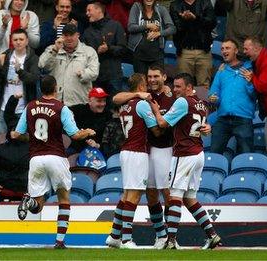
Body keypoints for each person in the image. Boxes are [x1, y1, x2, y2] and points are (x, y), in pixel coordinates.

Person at [14, 75, 96, 249]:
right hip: (56, 156)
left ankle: (28, 202)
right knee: (64, 198)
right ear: (56, 88)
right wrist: (87, 132)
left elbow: (17, 133)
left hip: (36, 158)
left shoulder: (30, 107)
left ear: (40, 89)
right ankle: (59, 241)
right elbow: (74, 134)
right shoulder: (61, 108)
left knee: (37, 207)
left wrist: (32, 138)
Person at [151, 73, 222, 250]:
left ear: (189, 87)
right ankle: (212, 235)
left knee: (174, 195)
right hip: (198, 153)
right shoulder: (200, 103)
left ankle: (171, 240)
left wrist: (154, 111)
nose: (175, 90)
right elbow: (201, 126)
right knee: (190, 198)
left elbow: (162, 124)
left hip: (184, 154)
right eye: (174, 86)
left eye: (179, 87)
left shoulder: (183, 102)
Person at [111, 66, 174, 249]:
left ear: (164, 77)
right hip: (139, 152)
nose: (151, 82)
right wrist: (157, 114)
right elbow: (156, 129)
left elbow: (117, 100)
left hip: (140, 150)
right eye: (147, 80)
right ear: (141, 85)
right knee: (136, 194)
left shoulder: (129, 103)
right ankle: (126, 239)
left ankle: (115, 235)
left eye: (155, 77)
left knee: (129, 194)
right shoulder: (142, 102)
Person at [208, 39, 256, 155]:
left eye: (227, 48)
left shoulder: (249, 69)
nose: (224, 51)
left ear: (236, 50)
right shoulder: (221, 71)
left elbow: (254, 95)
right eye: (222, 49)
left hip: (243, 119)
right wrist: (213, 98)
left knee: (246, 155)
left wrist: (250, 82)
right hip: (223, 119)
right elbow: (213, 93)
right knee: (214, 154)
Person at [39, 23, 99, 107]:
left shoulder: (89, 51)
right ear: (62, 36)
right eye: (66, 35)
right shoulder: (52, 49)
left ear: (77, 35)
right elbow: (42, 66)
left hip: (80, 102)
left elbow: (94, 73)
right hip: (56, 102)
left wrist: (83, 73)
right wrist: (55, 50)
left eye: (72, 35)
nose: (69, 38)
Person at [0, 28, 39, 135]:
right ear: (11, 41)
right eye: (15, 39)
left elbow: (34, 79)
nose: (18, 42)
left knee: (22, 144)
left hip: (23, 110)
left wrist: (19, 71)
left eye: (21, 39)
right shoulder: (5, 56)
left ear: (27, 41)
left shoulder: (33, 58)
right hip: (3, 108)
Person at [0, 94, 29, 202]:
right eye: (14, 130)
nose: (16, 132)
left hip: (27, 192)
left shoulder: (33, 149)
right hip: (5, 192)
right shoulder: (1, 149)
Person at [82, 2, 127, 95]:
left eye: (89, 10)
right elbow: (84, 55)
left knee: (114, 106)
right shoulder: (87, 32)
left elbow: (123, 49)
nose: (87, 13)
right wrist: (96, 52)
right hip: (96, 78)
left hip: (114, 75)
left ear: (98, 10)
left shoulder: (116, 26)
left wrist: (109, 48)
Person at [169, 0, 216, 88]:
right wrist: (185, 20)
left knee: (203, 87)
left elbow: (212, 23)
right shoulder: (175, 5)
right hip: (184, 51)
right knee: (183, 85)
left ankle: (202, 102)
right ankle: (185, 102)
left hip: (203, 51)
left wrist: (196, 18)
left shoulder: (205, 2)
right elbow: (176, 28)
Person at [127, 0, 176, 74]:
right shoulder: (136, 7)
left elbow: (172, 28)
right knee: (141, 83)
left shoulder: (161, 9)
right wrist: (147, 26)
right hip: (139, 54)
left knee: (157, 82)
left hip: (157, 55)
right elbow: (131, 27)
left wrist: (159, 33)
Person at [68, 87, 111, 153]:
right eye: (99, 101)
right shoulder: (79, 110)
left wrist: (97, 145)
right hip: (76, 148)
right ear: (90, 101)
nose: (102, 104)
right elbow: (62, 111)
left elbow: (110, 140)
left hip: (98, 152)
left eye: (104, 101)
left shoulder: (108, 115)